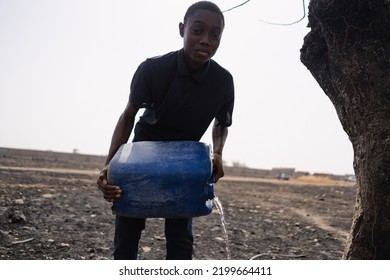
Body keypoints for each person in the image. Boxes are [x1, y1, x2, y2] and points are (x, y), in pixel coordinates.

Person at [96, 1, 234, 260]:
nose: (206, 40)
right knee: (127, 236)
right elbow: (128, 115)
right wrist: (108, 166)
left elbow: (222, 122)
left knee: (180, 240)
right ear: (182, 29)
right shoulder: (153, 69)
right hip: (142, 156)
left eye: (215, 35)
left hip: (185, 161)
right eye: (197, 31)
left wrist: (218, 153)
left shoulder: (223, 81)